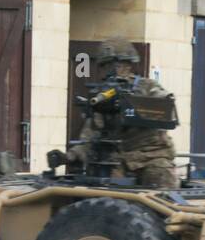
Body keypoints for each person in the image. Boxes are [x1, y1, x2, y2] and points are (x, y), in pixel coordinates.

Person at [70, 40, 179, 188]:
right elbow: (91, 137)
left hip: (152, 156)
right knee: (105, 190)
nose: (111, 70)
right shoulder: (102, 97)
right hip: (118, 161)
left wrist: (135, 102)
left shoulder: (147, 87)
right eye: (105, 66)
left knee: (161, 181)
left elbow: (164, 101)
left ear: (128, 65)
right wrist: (72, 155)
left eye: (118, 65)